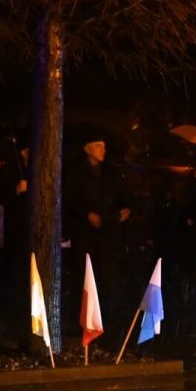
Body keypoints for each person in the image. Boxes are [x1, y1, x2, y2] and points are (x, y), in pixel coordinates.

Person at [64, 133, 132, 323]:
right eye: (98, 146)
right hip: (84, 233)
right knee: (85, 274)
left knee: (107, 275)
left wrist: (126, 208)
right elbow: (70, 199)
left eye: (104, 146)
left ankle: (109, 318)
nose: (103, 150)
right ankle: (84, 319)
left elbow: (122, 195)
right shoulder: (75, 172)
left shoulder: (110, 172)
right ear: (87, 149)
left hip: (107, 231)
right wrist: (86, 214)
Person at [0, 138, 33, 345]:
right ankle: (15, 321)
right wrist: (15, 190)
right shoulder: (9, 170)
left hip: (36, 232)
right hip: (17, 232)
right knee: (17, 276)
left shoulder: (41, 169)